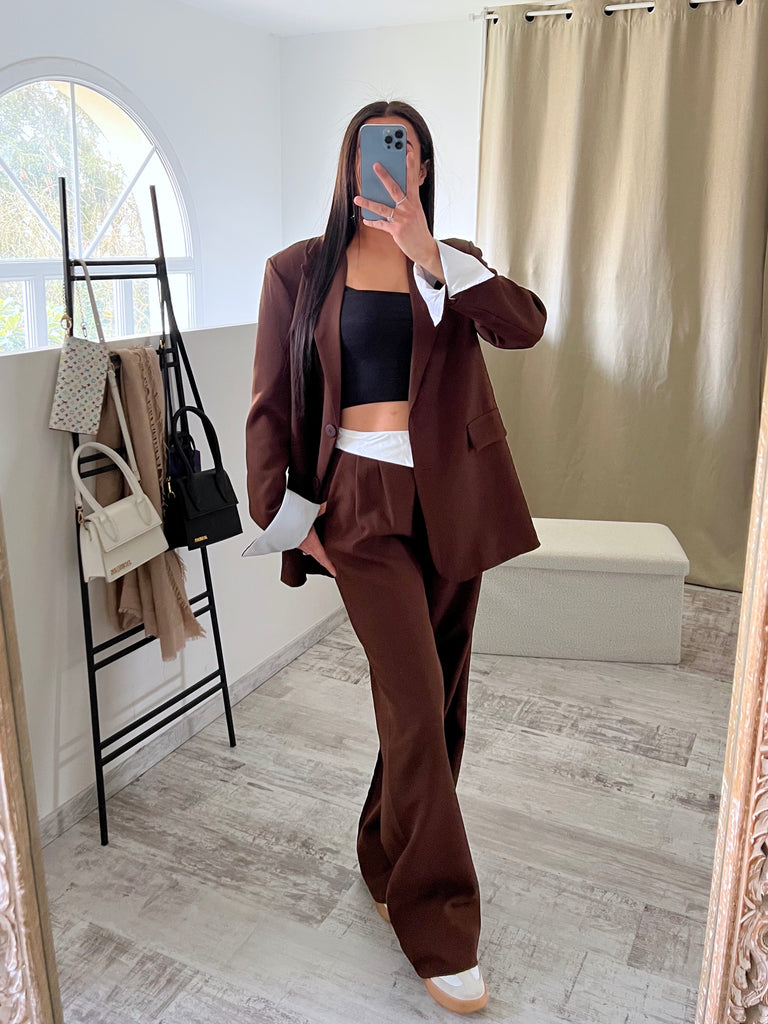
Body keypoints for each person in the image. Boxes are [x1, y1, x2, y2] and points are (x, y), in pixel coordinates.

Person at [244, 99, 547, 1014]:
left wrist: (432, 255)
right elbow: (268, 404)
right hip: (358, 506)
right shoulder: (297, 270)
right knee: (414, 705)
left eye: (403, 149)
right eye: (372, 148)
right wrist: (290, 522)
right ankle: (440, 921)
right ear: (349, 164)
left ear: (421, 168)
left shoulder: (450, 259)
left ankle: (383, 849)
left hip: (452, 500)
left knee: (439, 705)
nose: (386, 162)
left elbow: (526, 326)